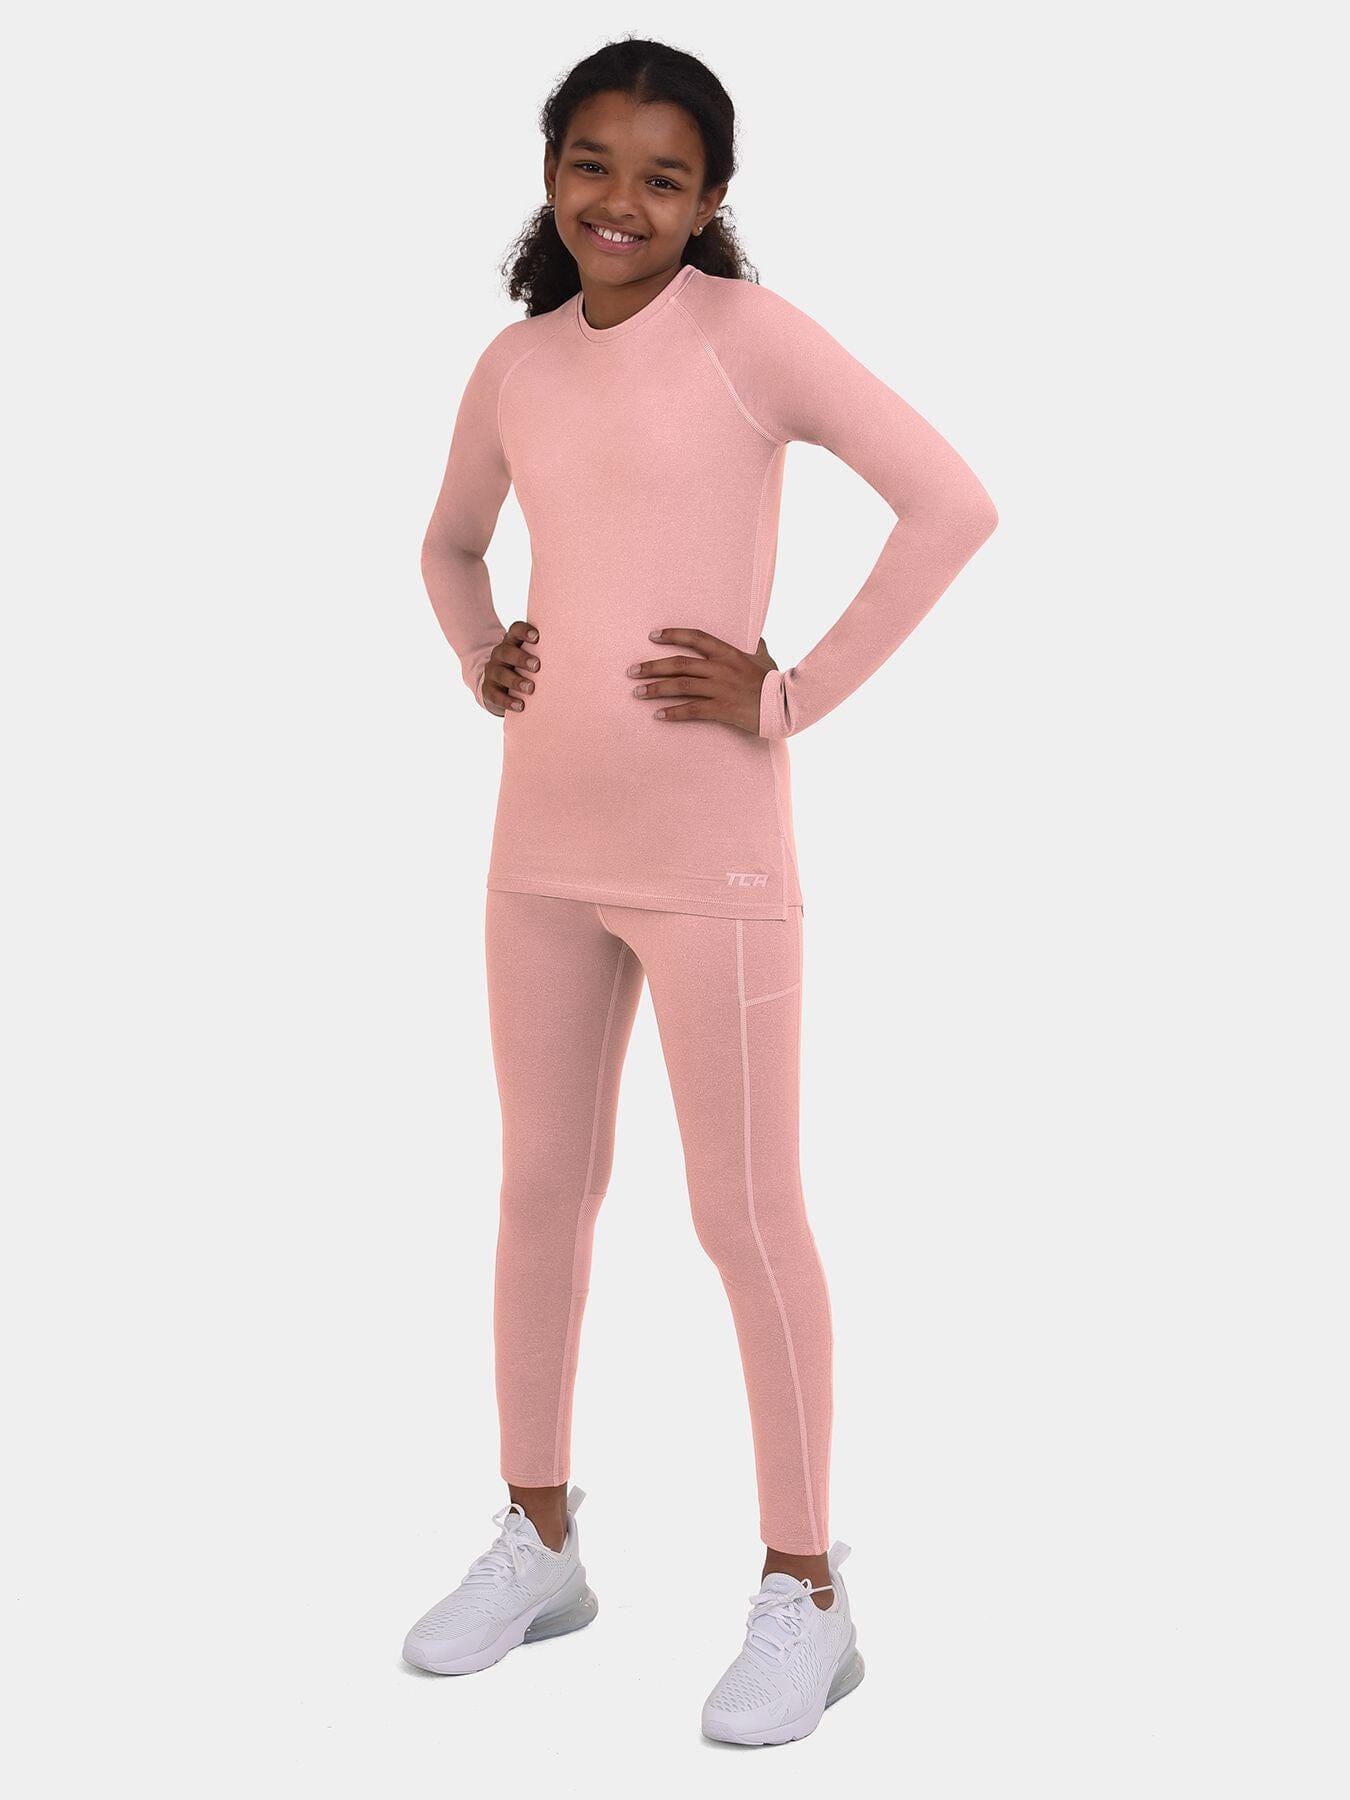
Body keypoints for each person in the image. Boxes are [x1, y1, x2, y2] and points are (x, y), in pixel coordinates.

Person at [401, 36, 997, 1746]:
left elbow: (950, 505)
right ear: (551, 172)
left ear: (710, 198)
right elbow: (447, 542)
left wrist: (790, 691)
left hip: (709, 859)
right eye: (592, 164)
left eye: (662, 177)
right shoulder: (515, 363)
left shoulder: (749, 339)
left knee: (742, 1215)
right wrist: (480, 650)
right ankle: (537, 1539)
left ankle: (806, 1589)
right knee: (539, 1192)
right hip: (537, 852)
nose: (621, 201)